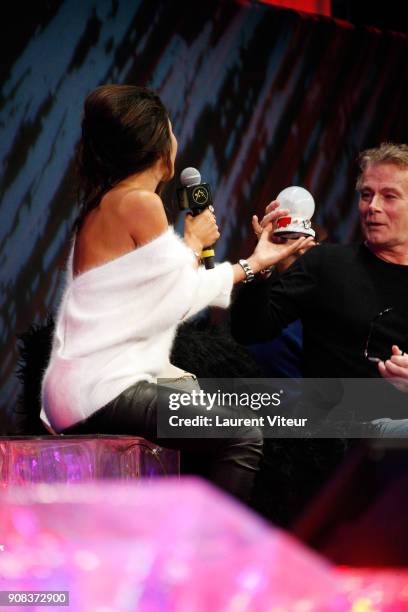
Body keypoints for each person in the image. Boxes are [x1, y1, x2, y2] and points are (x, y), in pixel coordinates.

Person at [41, 84, 312, 502]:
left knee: (198, 400)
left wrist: (255, 261)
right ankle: (206, 553)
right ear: (156, 141)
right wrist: (194, 242)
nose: (176, 139)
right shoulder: (138, 203)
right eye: (170, 130)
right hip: (101, 388)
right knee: (242, 433)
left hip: (82, 387)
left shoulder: (106, 203)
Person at [231, 143, 408, 432]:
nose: (372, 206)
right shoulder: (325, 263)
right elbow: (249, 330)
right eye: (366, 195)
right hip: (335, 437)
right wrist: (262, 265)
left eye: (389, 196)